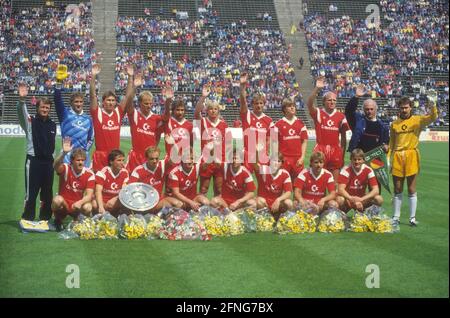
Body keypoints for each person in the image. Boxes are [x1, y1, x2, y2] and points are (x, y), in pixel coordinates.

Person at [389, 95, 438, 226]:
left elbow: (433, 118)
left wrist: (433, 106)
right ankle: (396, 217)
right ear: (399, 109)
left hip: (411, 155)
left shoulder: (417, 120)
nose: (404, 110)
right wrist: (388, 158)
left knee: (411, 188)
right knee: (398, 188)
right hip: (398, 156)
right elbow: (392, 143)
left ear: (411, 107)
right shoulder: (394, 124)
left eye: (406, 107)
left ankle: (412, 218)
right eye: (402, 108)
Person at [17, 83, 57, 226]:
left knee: (47, 193)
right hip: (33, 162)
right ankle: (27, 218)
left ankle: (45, 219)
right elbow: (22, 114)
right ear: (37, 108)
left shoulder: (53, 124)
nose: (45, 109)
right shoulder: (30, 121)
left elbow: (53, 146)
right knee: (31, 193)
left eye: (47, 107)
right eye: (42, 107)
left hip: (48, 164)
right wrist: (22, 100)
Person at [89, 64, 134, 172]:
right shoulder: (97, 112)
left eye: (113, 100)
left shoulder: (118, 112)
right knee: (98, 185)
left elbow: (127, 97)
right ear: (103, 102)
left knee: (114, 185)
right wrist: (93, 76)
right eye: (108, 100)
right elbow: (92, 95)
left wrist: (130, 77)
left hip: (115, 155)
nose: (110, 102)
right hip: (100, 156)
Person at [307, 76, 350, 182]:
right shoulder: (318, 113)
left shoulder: (341, 117)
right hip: (320, 150)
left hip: (335, 150)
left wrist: (342, 155)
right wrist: (317, 88)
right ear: (324, 102)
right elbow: (309, 104)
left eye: (334, 100)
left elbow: (343, 139)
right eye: (329, 100)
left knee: (334, 183)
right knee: (318, 182)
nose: (332, 102)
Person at [126, 78, 170, 173]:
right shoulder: (134, 115)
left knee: (149, 184)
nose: (149, 106)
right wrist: (135, 87)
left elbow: (166, 117)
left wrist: (168, 100)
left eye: (150, 103)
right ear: (139, 103)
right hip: (135, 157)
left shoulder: (156, 118)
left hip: (150, 157)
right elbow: (128, 103)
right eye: (146, 103)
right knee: (133, 184)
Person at [54, 64, 94, 167]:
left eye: (81, 102)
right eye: (76, 102)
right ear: (71, 103)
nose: (79, 104)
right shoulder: (64, 114)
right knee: (66, 181)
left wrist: (86, 150)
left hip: (82, 156)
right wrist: (59, 81)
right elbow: (57, 99)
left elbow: (90, 138)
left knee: (84, 181)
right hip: (67, 155)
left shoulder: (88, 119)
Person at [51, 140, 95, 231]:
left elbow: (89, 195)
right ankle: (58, 220)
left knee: (88, 206)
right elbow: (55, 166)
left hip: (76, 205)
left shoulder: (89, 174)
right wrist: (64, 153)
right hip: (64, 204)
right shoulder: (66, 168)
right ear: (72, 160)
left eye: (82, 160)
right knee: (57, 200)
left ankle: (79, 220)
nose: (80, 162)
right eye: (78, 160)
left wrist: (80, 202)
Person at [194, 85, 229, 196]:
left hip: (220, 159)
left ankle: (218, 212)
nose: (213, 111)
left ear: (218, 110)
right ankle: (200, 212)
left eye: (215, 109)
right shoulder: (203, 122)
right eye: (210, 109)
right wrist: (203, 97)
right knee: (203, 189)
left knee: (219, 189)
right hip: (206, 160)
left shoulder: (223, 124)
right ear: (207, 110)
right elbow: (196, 113)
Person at [128, 146, 182, 213]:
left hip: (158, 201)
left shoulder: (162, 165)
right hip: (144, 204)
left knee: (178, 204)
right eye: (151, 159)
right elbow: (129, 189)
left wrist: (173, 145)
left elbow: (174, 159)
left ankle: (165, 220)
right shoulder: (138, 171)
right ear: (146, 158)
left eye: (157, 158)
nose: (155, 161)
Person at [239, 73, 273, 172]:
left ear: (264, 104)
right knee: (245, 183)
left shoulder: (269, 120)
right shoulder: (247, 115)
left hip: (262, 155)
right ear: (252, 104)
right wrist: (242, 87)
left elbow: (268, 139)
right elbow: (242, 101)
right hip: (248, 154)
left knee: (264, 182)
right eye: (256, 103)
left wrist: (266, 152)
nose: (258, 105)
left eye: (261, 103)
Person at [345, 84, 389, 153]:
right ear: (363, 110)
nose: (369, 111)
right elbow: (349, 111)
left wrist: (386, 146)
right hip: (358, 159)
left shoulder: (383, 127)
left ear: (376, 109)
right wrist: (356, 97)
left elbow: (386, 144)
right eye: (367, 109)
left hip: (375, 161)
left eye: (371, 109)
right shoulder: (358, 120)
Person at [336, 148, 383, 213]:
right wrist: (351, 199)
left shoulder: (368, 170)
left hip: (362, 199)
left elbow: (376, 190)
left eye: (359, 159)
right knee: (340, 199)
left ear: (363, 160)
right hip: (348, 199)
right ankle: (342, 217)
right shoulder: (345, 170)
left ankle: (371, 218)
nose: (357, 162)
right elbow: (340, 190)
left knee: (378, 199)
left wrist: (362, 199)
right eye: (354, 159)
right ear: (351, 160)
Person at [273, 98, 308, 180]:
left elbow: (304, 141)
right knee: (283, 185)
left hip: (297, 160)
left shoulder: (301, 123)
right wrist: (276, 159)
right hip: (284, 160)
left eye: (293, 106)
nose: (292, 108)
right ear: (284, 109)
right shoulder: (277, 124)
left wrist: (302, 157)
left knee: (297, 187)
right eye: (289, 106)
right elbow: (273, 143)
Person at [253, 152, 293, 219]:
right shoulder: (265, 170)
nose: (275, 163)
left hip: (276, 204)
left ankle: (282, 219)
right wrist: (256, 152)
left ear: (281, 163)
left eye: (278, 161)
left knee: (289, 203)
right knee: (259, 201)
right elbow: (255, 165)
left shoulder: (285, 174)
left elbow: (288, 192)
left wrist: (278, 199)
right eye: (273, 160)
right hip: (264, 203)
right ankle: (265, 218)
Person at [93, 149, 129, 216]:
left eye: (123, 160)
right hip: (103, 201)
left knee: (125, 201)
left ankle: (118, 215)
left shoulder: (125, 172)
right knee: (95, 204)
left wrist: (116, 199)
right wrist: (101, 207)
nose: (122, 163)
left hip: (115, 201)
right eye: (119, 160)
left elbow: (124, 190)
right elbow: (98, 191)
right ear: (111, 162)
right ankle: (98, 216)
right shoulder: (102, 172)